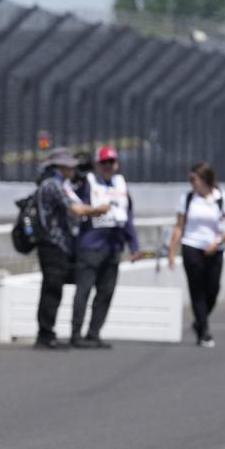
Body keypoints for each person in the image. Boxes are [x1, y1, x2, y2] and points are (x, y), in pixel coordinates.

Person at [33, 147, 109, 349]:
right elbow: (74, 208)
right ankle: (45, 334)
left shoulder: (53, 184)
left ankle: (47, 332)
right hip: (53, 244)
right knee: (52, 288)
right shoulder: (53, 185)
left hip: (56, 244)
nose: (74, 170)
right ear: (61, 166)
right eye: (70, 166)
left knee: (53, 288)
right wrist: (97, 210)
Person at [70, 146, 141, 349]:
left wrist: (133, 244)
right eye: (104, 163)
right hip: (90, 246)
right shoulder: (88, 183)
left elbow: (128, 218)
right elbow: (74, 198)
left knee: (105, 292)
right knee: (83, 291)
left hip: (113, 247)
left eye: (111, 162)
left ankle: (94, 333)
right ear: (98, 165)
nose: (108, 166)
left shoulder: (121, 186)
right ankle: (76, 333)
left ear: (116, 164)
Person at [167, 161, 225, 348]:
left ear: (205, 179)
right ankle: (204, 331)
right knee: (196, 290)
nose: (191, 183)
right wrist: (171, 252)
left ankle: (199, 321)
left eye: (193, 179)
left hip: (215, 248)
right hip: (192, 246)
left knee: (213, 289)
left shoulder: (221, 197)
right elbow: (179, 227)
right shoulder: (188, 198)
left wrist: (218, 242)